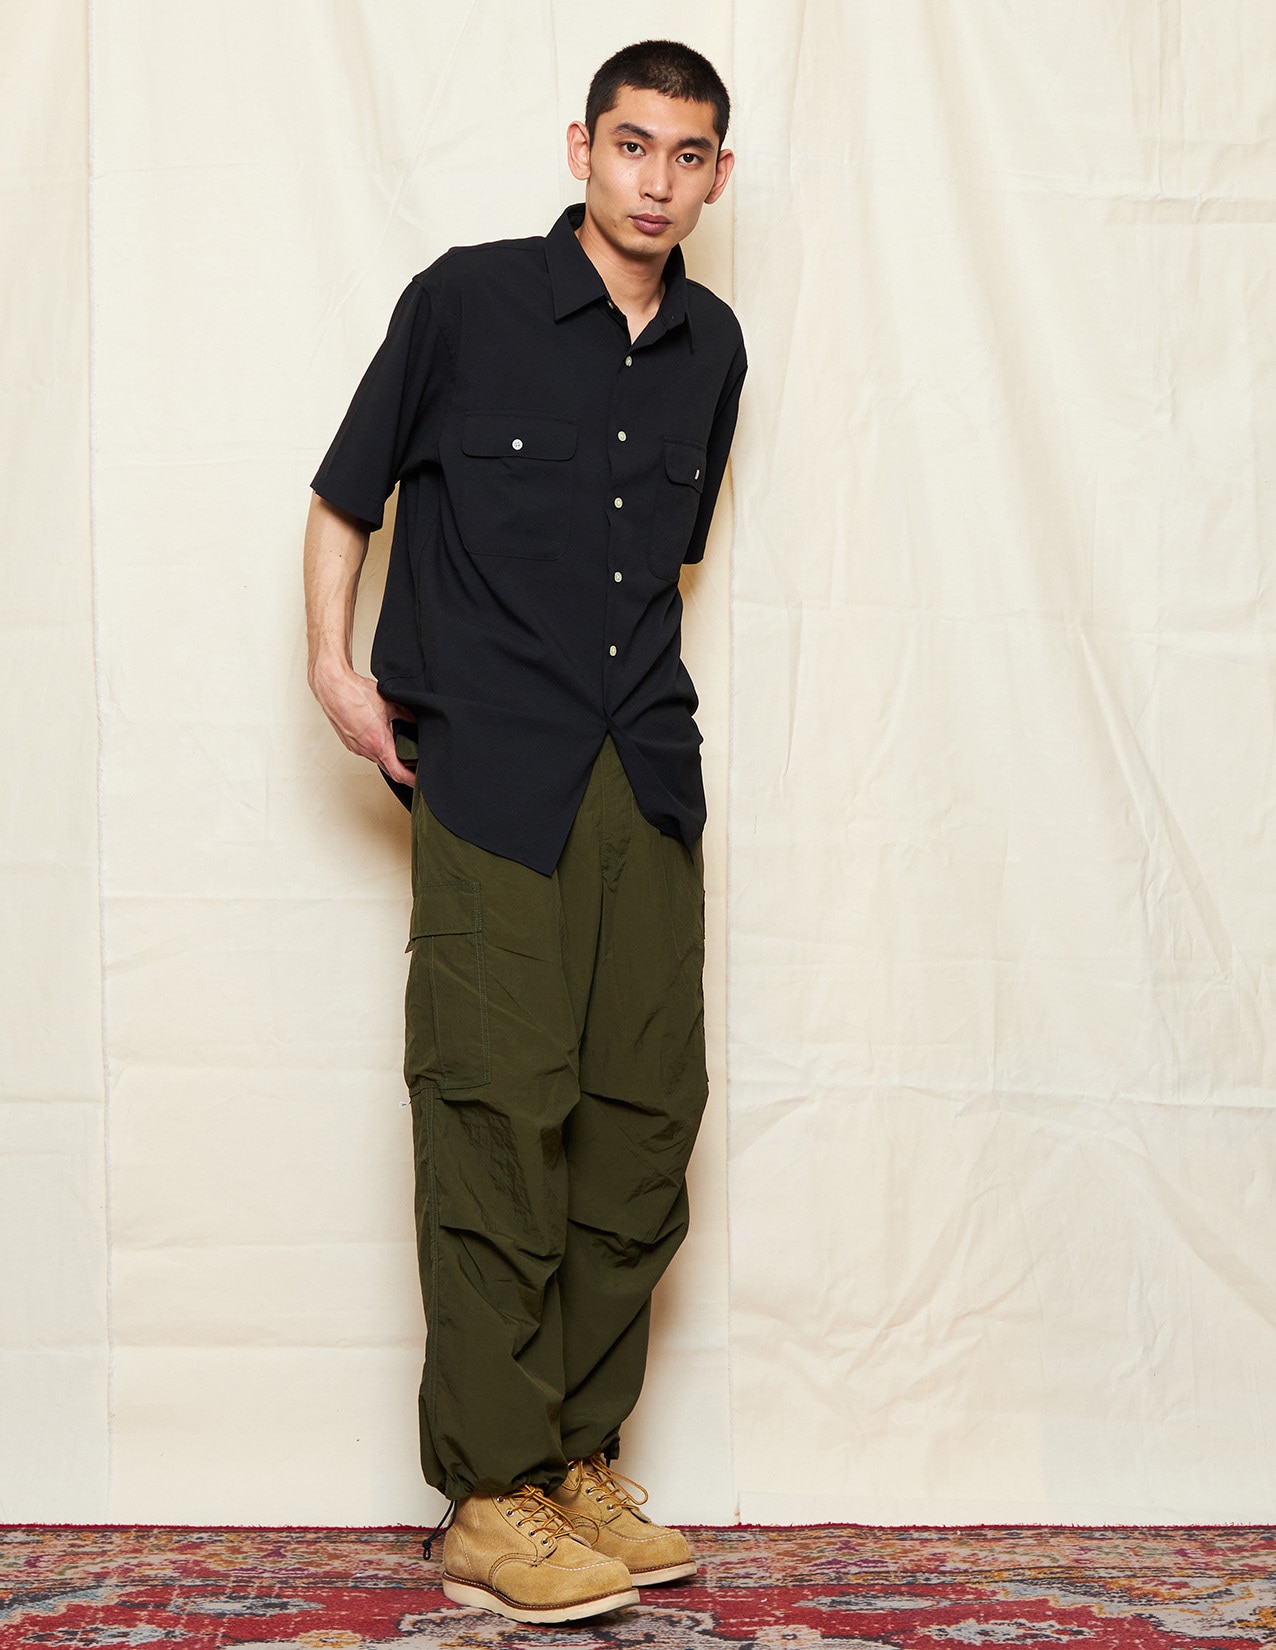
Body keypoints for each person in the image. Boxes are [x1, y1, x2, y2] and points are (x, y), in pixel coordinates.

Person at [303, 39, 745, 1627]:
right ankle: (492, 1494)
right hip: (491, 768)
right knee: (498, 1113)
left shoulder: (714, 347)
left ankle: (574, 1457)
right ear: (581, 147)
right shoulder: (465, 302)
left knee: (642, 1119)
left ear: (718, 175)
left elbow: (658, 562)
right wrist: (335, 671)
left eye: (686, 155)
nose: (655, 181)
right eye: (631, 144)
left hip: (645, 768)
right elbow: (345, 496)